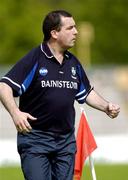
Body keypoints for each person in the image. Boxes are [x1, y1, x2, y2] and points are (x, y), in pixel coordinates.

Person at [0, 10, 120, 180]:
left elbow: (86, 92)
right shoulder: (35, 58)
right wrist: (15, 113)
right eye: (70, 28)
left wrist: (106, 106)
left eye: (75, 27)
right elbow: (4, 85)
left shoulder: (73, 62)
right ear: (54, 33)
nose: (76, 32)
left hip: (65, 142)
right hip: (36, 141)